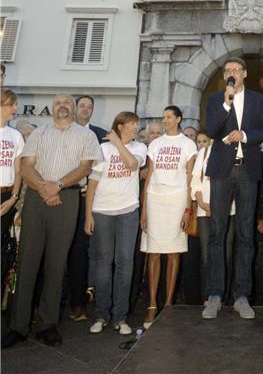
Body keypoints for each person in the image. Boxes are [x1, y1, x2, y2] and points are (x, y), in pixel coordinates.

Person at [2, 94, 101, 349]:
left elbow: (85, 168)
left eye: (67, 102)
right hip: (37, 198)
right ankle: (18, 325)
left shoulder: (86, 136)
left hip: (67, 200)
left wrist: (56, 186)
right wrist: (45, 189)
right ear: (53, 108)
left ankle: (47, 324)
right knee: (27, 261)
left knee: (57, 263)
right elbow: (26, 166)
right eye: (58, 103)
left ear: (73, 107)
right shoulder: (39, 133)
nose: (62, 106)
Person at [202, 56, 263, 320]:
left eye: (236, 70)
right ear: (225, 76)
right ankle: (215, 294)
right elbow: (211, 130)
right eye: (227, 70)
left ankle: (241, 295)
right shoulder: (215, 100)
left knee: (245, 233)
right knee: (217, 233)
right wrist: (226, 102)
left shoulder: (258, 100)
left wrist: (244, 136)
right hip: (221, 170)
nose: (231, 73)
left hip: (248, 169)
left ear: (244, 74)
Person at [84, 111, 147, 335]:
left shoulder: (140, 148)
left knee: (125, 263)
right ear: (120, 126)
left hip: (128, 212)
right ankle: (101, 314)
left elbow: (131, 164)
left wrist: (119, 144)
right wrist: (88, 215)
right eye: (130, 124)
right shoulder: (102, 149)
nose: (134, 128)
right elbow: (92, 182)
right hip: (102, 211)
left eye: (136, 125)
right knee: (102, 264)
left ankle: (120, 317)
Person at [140, 105, 196, 329]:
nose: (165, 120)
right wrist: (144, 209)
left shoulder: (188, 144)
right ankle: (152, 304)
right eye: (163, 117)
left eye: (169, 117)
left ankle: (169, 303)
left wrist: (188, 209)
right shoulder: (155, 144)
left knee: (174, 252)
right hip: (155, 198)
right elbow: (149, 176)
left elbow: (190, 178)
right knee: (153, 252)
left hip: (177, 198)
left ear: (178, 119)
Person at [67, 94, 107, 321]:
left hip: (87, 199)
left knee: (80, 252)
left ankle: (77, 303)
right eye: (82, 105)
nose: (85, 109)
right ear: (75, 108)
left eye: (89, 107)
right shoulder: (60, 132)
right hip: (64, 196)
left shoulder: (101, 135)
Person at [191, 129, 235, 304]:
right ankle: (207, 296)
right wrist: (201, 202)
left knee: (227, 254)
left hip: (229, 210)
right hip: (205, 210)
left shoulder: (234, 151)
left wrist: (222, 206)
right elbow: (195, 180)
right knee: (207, 255)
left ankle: (224, 297)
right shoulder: (204, 152)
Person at [0, 89, 24, 290]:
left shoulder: (15, 136)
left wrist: (14, 197)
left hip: (6, 196)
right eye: (11, 104)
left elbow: (18, 171)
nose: (15, 109)